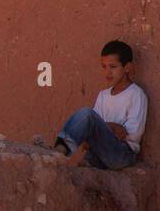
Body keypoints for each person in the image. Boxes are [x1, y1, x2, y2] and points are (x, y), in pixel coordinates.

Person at [54, 40, 147, 169]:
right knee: (81, 161)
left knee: (87, 115)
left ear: (127, 67)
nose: (107, 72)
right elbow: (98, 129)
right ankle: (56, 154)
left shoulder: (136, 94)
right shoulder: (103, 95)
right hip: (101, 153)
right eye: (104, 67)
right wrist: (104, 128)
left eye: (113, 67)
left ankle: (59, 151)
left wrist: (99, 128)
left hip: (122, 154)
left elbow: (126, 133)